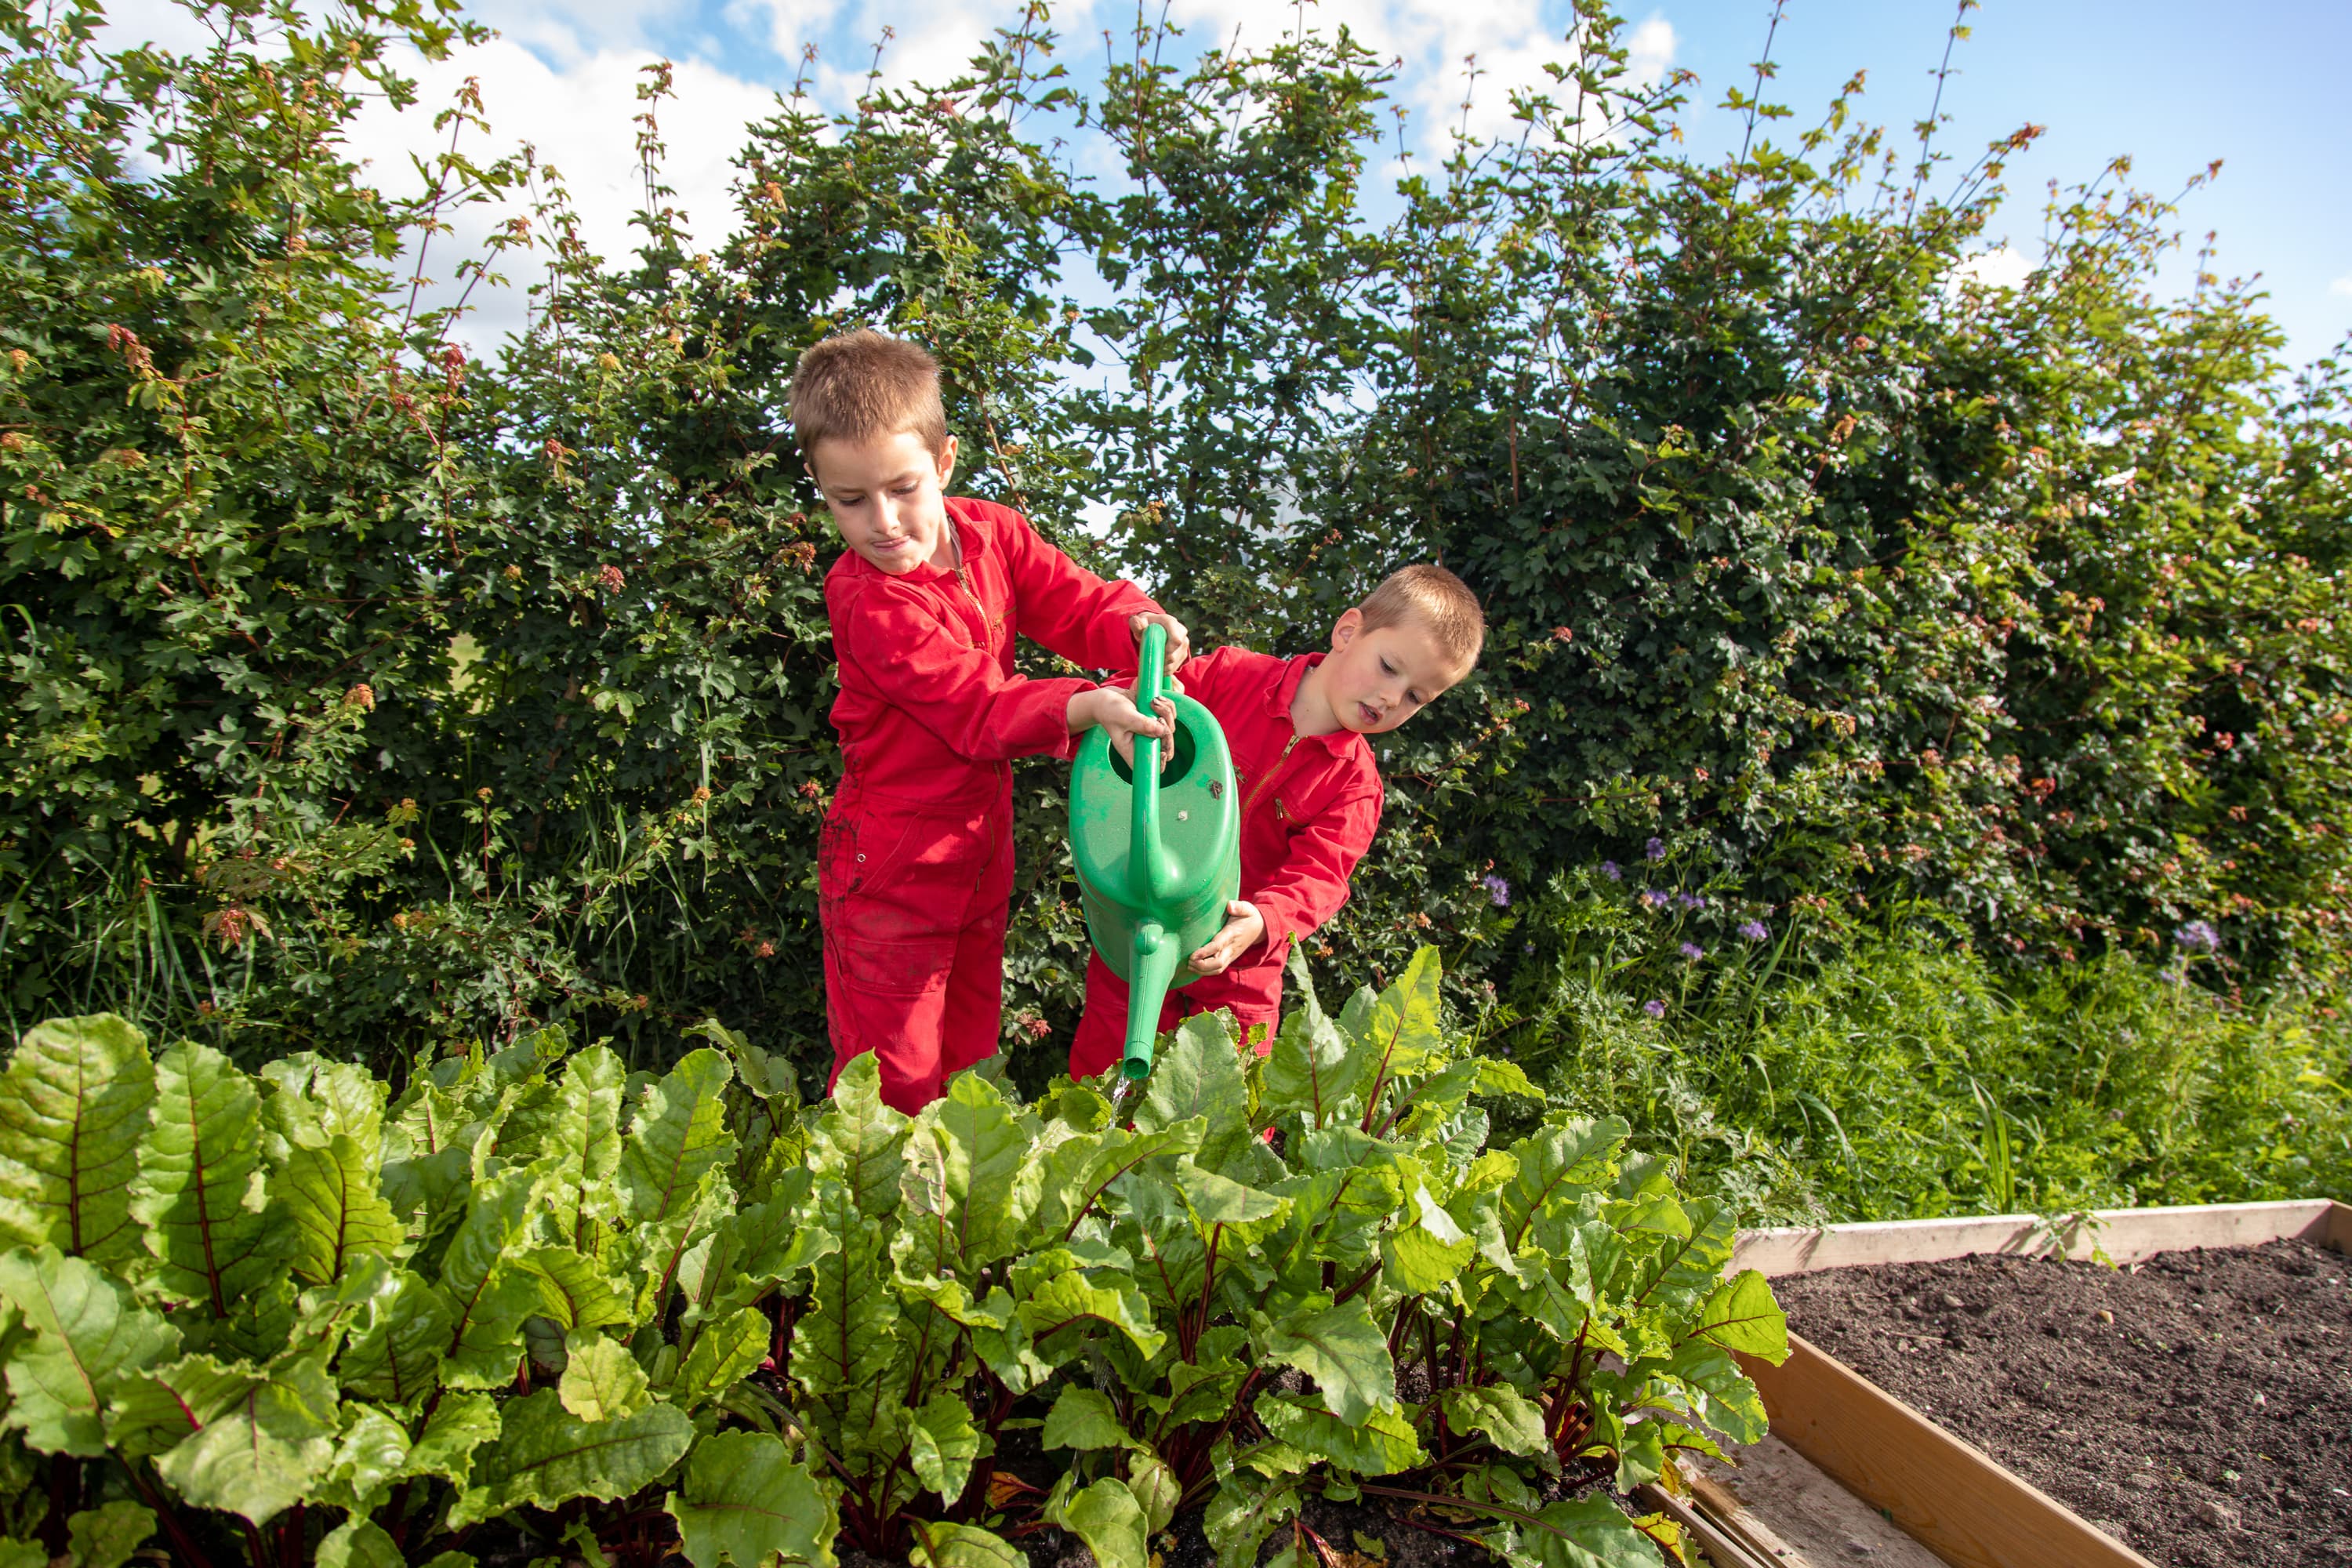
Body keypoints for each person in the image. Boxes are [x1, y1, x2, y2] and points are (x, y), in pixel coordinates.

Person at [797, 329, 1187, 1113]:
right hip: (891, 866)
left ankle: (954, 1221)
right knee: (891, 1074)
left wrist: (1140, 624)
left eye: (903, 488)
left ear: (943, 464)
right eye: (850, 500)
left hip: (979, 851)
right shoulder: (868, 601)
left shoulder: (993, 534)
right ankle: (873, 1217)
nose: (884, 522)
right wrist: (1088, 704)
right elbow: (974, 706)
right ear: (819, 487)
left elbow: (1075, 602)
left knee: (968, 1054)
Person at [1069, 565, 1484, 1077]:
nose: (1392, 699)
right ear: (1348, 632)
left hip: (1238, 967)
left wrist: (1265, 921)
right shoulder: (1230, 678)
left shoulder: (1355, 785)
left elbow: (1319, 879)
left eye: (1417, 697)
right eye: (1390, 668)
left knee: (1220, 1107)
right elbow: (1136, 701)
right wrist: (1132, 700)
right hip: (1142, 924)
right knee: (1100, 1081)